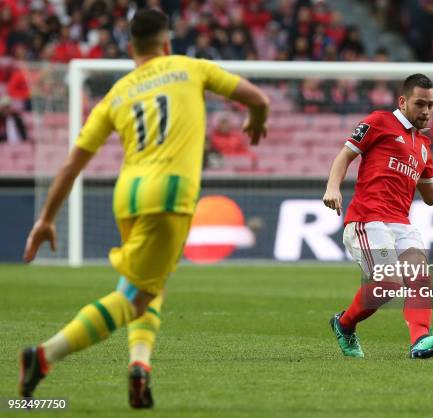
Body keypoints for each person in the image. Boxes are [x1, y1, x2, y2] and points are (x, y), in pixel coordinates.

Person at [19, 9, 269, 408]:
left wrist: (46, 218)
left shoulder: (117, 93)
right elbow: (258, 98)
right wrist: (257, 118)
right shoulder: (190, 67)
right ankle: (44, 356)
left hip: (128, 196)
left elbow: (71, 164)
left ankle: (140, 366)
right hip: (170, 195)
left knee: (147, 285)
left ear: (130, 47)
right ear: (167, 42)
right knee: (134, 295)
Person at [323, 73, 433, 359]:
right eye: (420, 104)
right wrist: (332, 187)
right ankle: (344, 324)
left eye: (431, 105)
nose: (426, 111)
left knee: (419, 277)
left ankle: (420, 340)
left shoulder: (424, 147)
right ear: (402, 102)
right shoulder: (379, 122)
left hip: (401, 222)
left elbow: (431, 195)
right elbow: (345, 155)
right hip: (367, 218)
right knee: (389, 284)